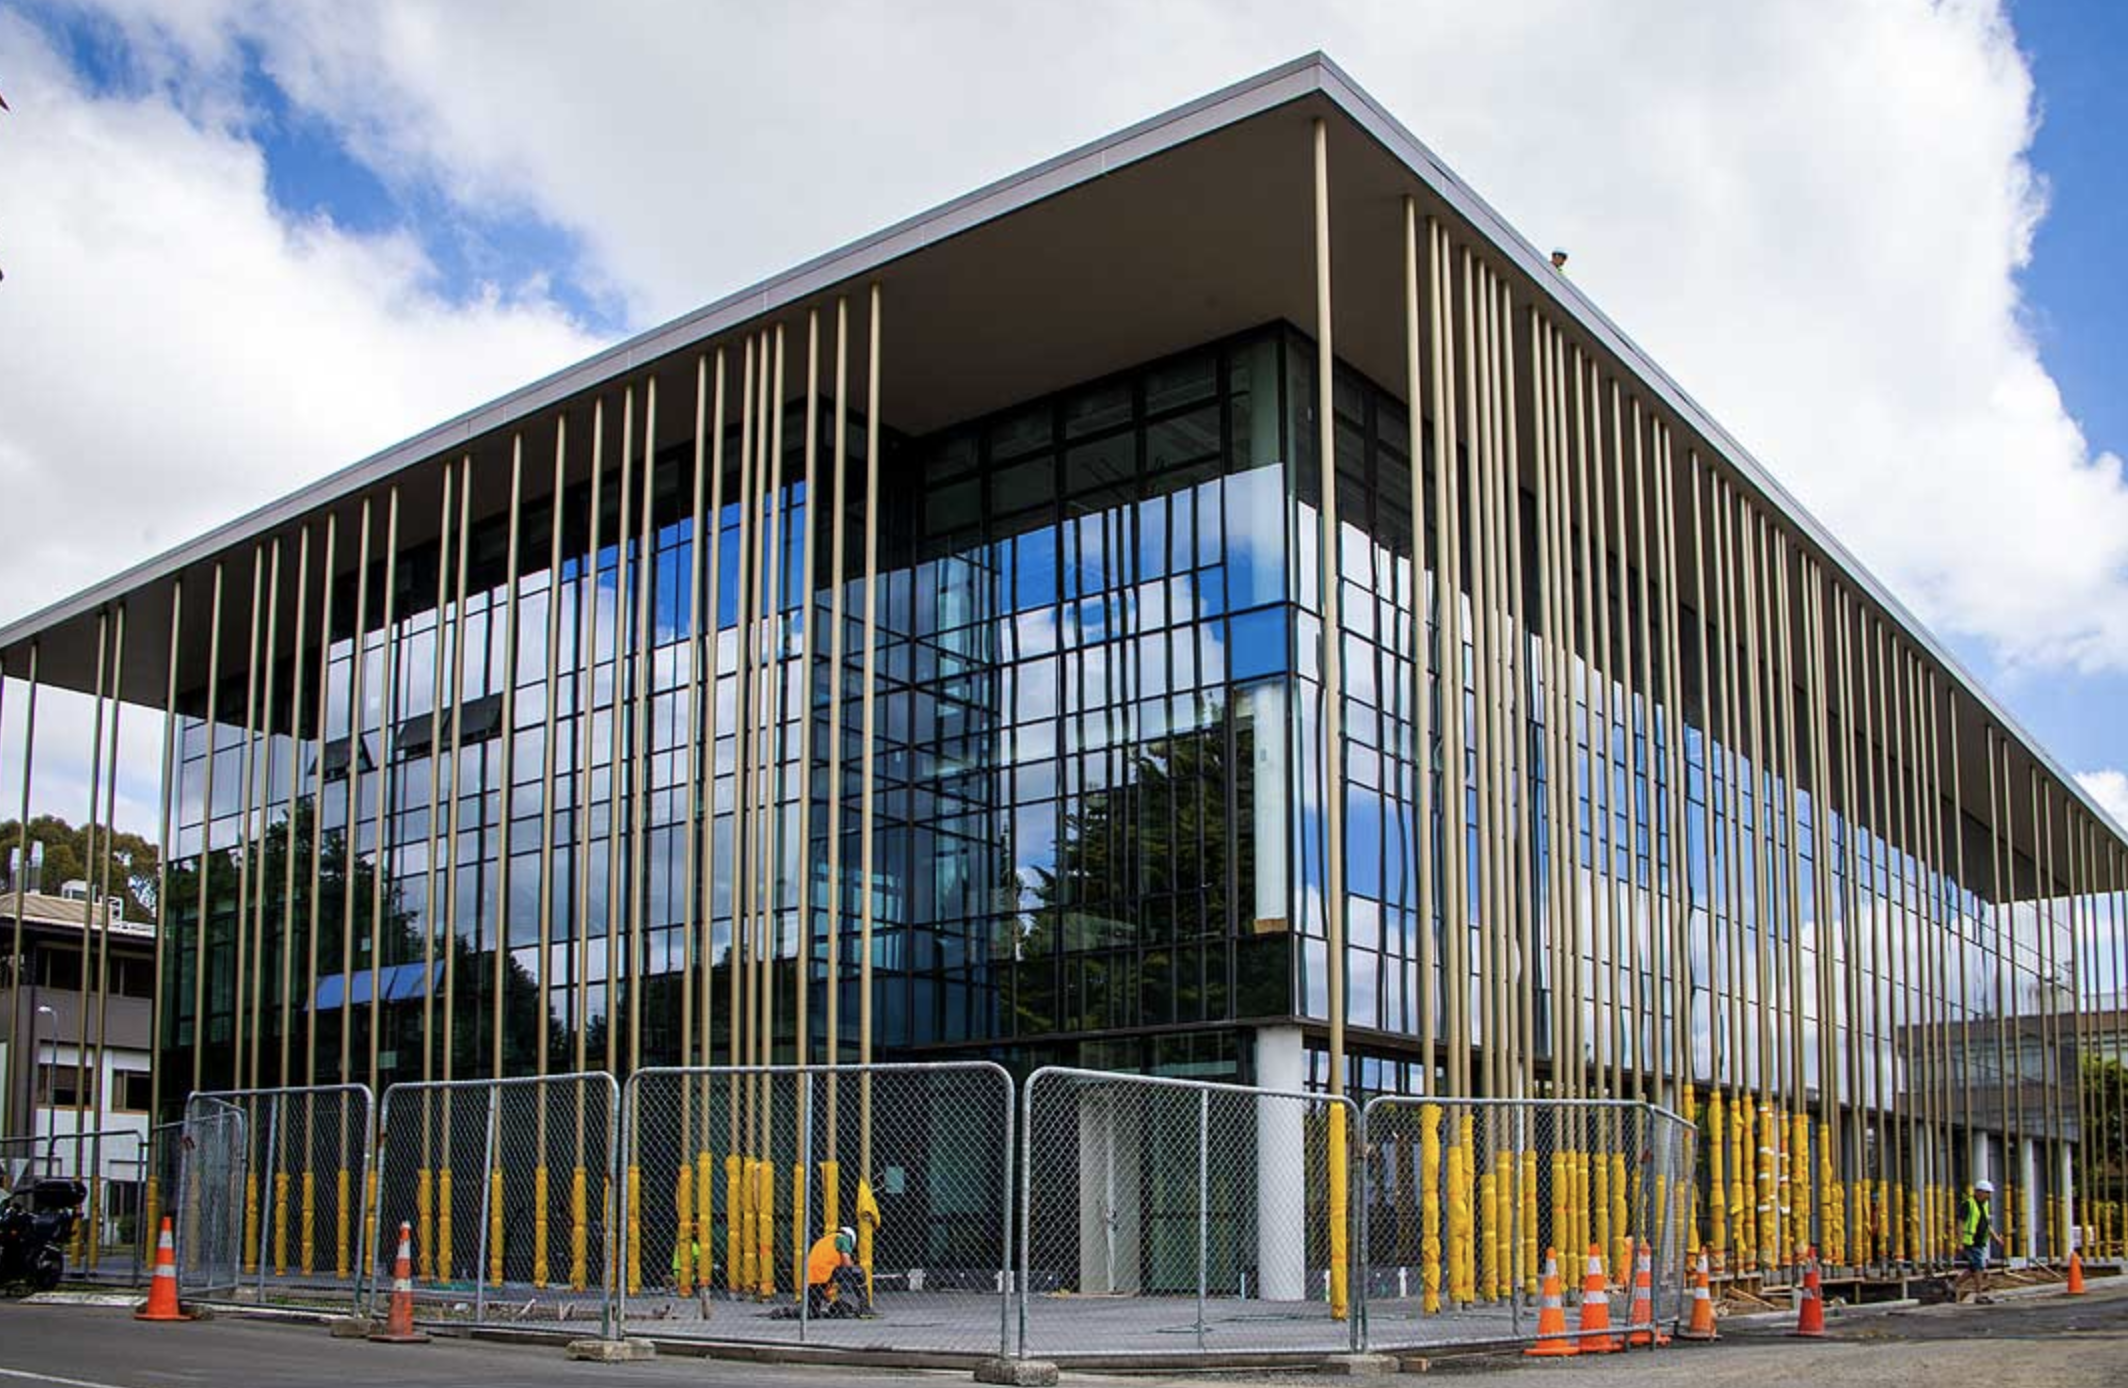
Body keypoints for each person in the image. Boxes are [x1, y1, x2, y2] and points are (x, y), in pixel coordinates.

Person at [804, 1225, 874, 1318]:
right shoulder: (842, 1238)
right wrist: (852, 1267)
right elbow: (846, 1261)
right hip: (825, 1272)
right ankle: (865, 1307)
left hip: (812, 1277)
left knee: (814, 1311)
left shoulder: (824, 1240)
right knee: (858, 1271)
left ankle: (811, 1309)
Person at [1957, 1178, 2003, 1303]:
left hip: (1979, 1241)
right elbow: (1961, 1223)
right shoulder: (1968, 1204)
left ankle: (1953, 1285)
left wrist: (1995, 1237)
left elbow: (1986, 1224)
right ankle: (1979, 1295)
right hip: (1969, 1241)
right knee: (1979, 1266)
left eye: (1989, 1193)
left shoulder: (1984, 1205)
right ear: (1978, 1192)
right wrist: (1960, 1242)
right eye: (1987, 1193)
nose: (1988, 1196)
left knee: (1973, 1267)